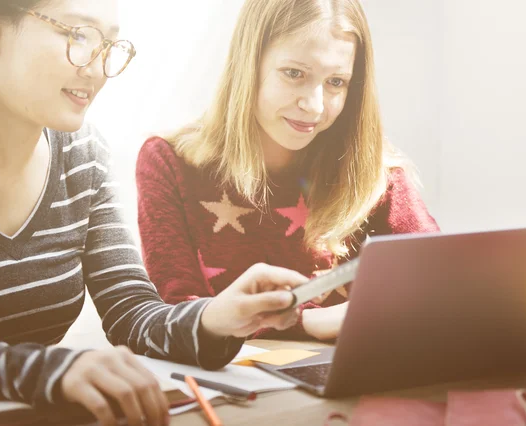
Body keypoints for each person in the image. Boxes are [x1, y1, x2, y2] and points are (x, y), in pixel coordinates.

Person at [0, 1, 308, 425]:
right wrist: (46, 371)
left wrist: (217, 318)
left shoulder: (82, 155)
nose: (99, 68)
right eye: (78, 35)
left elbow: (130, 312)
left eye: (108, 44)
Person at [136, 0, 440, 343]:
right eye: (294, 74)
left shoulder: (371, 168)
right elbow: (177, 318)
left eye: (336, 82)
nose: (314, 105)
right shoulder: (170, 162)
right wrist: (308, 322)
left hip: (351, 375)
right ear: (248, 64)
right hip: (238, 383)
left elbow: (439, 276)